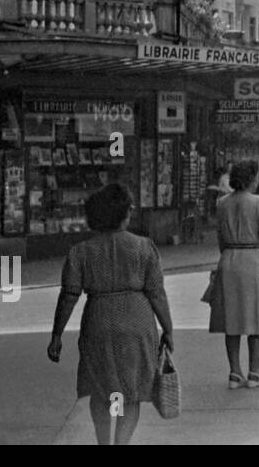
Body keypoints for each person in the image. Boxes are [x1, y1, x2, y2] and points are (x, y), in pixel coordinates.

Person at [47, 183, 172, 445]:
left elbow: (68, 296)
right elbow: (157, 293)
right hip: (137, 323)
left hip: (98, 322)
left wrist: (56, 335)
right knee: (132, 390)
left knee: (101, 389)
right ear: (124, 214)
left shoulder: (81, 251)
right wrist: (168, 329)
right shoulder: (144, 247)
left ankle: (103, 443)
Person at [211, 160, 259, 388]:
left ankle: (234, 373)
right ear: (252, 179)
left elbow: (220, 238)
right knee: (257, 316)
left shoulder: (222, 203)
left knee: (232, 318)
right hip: (254, 260)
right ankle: (254, 374)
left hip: (228, 259)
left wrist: (227, 257)